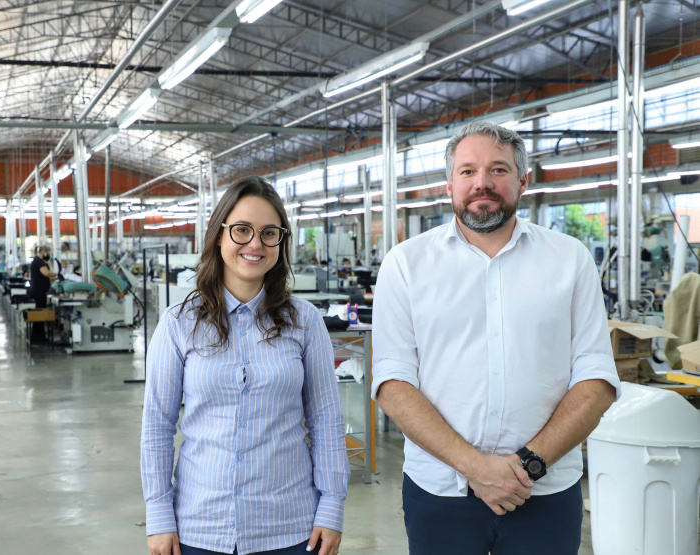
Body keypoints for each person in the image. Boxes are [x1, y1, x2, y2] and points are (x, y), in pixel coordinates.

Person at [371, 121, 620, 554]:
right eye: (467, 171)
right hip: (440, 493)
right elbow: (393, 383)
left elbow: (596, 380)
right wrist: (475, 468)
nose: (482, 183)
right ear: (449, 184)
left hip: (543, 493)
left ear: (523, 181)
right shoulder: (406, 264)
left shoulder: (569, 260)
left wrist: (525, 466)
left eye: (498, 170)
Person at [141, 175, 349, 555]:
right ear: (219, 235)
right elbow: (157, 424)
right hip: (199, 527)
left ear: (280, 243)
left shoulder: (305, 321)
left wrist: (331, 506)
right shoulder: (179, 323)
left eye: (269, 233)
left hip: (289, 527)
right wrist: (158, 514)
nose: (255, 244)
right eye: (241, 230)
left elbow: (326, 420)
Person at [29, 245, 55, 343]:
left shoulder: (36, 261)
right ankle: (38, 338)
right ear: (44, 251)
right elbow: (46, 273)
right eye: (48, 252)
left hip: (38, 291)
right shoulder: (39, 262)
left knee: (39, 315)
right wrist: (57, 273)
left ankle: (38, 337)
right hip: (39, 292)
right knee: (40, 315)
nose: (49, 255)